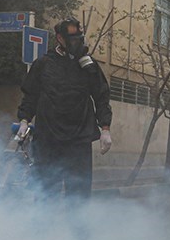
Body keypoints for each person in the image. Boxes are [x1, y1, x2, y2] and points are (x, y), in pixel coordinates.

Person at [16, 17, 113, 201]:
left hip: (79, 141)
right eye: (72, 39)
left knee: (79, 195)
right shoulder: (44, 64)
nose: (77, 43)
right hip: (48, 140)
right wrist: (24, 120)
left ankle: (76, 221)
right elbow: (30, 96)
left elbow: (101, 96)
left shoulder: (88, 66)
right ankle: (45, 221)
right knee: (46, 193)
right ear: (60, 38)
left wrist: (105, 128)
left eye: (79, 38)